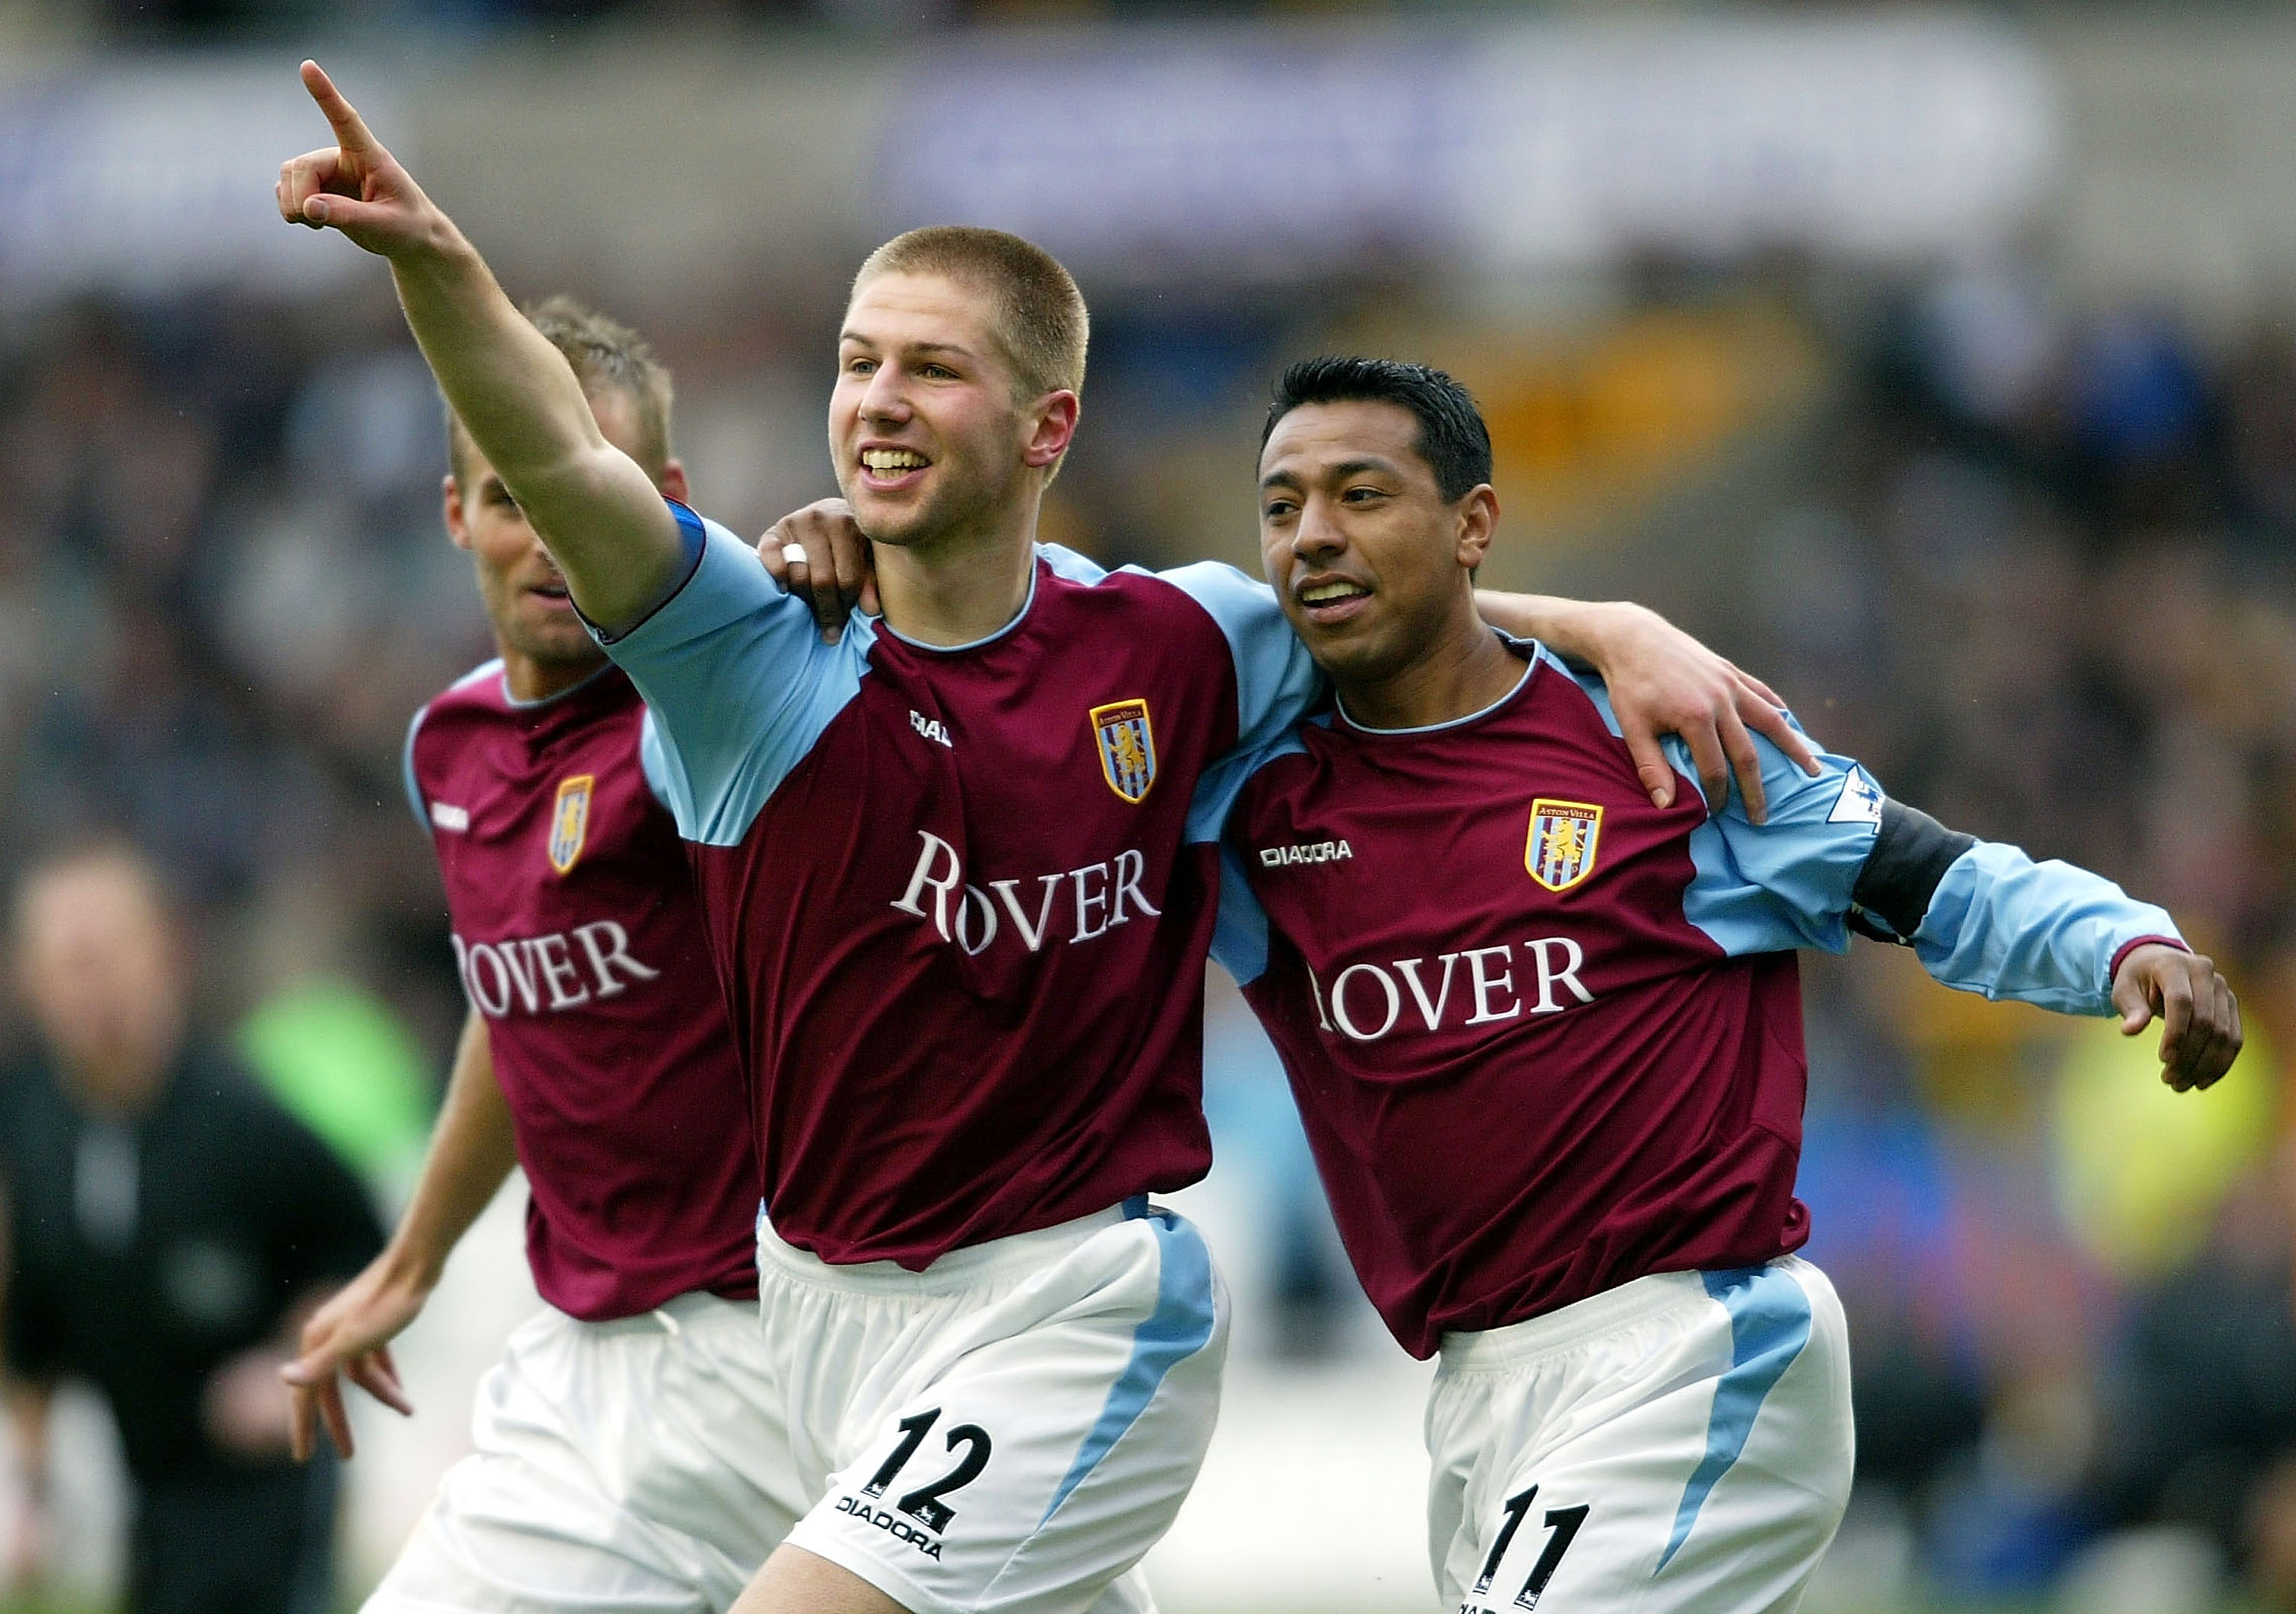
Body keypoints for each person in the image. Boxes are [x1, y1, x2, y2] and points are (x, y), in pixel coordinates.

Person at [272, 64, 1816, 1614]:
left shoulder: (1174, 642)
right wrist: (439, 266)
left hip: (1077, 1302)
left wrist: (1604, 621)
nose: (878, 395)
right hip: (816, 1312)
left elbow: (1386, 623)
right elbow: (564, 464)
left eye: (931, 369)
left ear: (1044, 424)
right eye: (857, 361)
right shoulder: (755, 662)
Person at [1205, 355, 2243, 1613]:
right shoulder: (1257, 807)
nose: (1313, 533)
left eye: (1360, 493)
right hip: (1480, 1387)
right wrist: (1592, 609)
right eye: (1281, 505)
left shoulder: (1664, 745)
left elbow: (1940, 880)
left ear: (1473, 522)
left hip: (1692, 1343)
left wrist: (2128, 943)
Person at [276, 298, 797, 1610]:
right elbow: (520, 1000)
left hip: (789, 1345)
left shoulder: (729, 713)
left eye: (589, 493)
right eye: (513, 497)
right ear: (455, 512)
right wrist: (413, 1259)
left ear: (664, 500)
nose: (553, 540)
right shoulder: (447, 745)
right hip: (589, 1359)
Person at [0, 841, 384, 1614]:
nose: (89, 982)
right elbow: (35, 1329)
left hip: (263, 1493)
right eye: (66, 959)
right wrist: (27, 1491)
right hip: (147, 1488)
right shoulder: (30, 1123)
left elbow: (364, 1247)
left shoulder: (242, 1118)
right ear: (29, 979)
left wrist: (290, 1362)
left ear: (163, 955)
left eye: (105, 952)